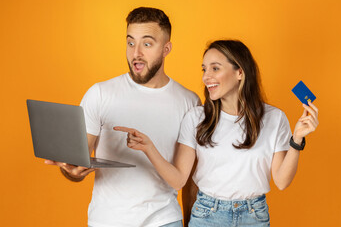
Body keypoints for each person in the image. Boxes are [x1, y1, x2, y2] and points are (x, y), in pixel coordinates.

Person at [115, 40, 319, 226]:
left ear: (240, 72)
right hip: (207, 215)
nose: (206, 77)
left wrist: (297, 139)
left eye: (215, 68)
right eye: (204, 69)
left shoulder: (274, 118)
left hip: (254, 216)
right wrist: (149, 148)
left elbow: (282, 181)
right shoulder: (196, 118)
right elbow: (178, 180)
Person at [45, 7, 200, 227]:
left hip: (164, 220)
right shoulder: (99, 94)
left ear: (166, 49)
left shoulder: (189, 102)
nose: (136, 52)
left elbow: (189, 177)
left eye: (147, 44)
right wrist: (71, 171)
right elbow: (77, 163)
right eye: (130, 43)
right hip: (107, 221)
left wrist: (191, 223)